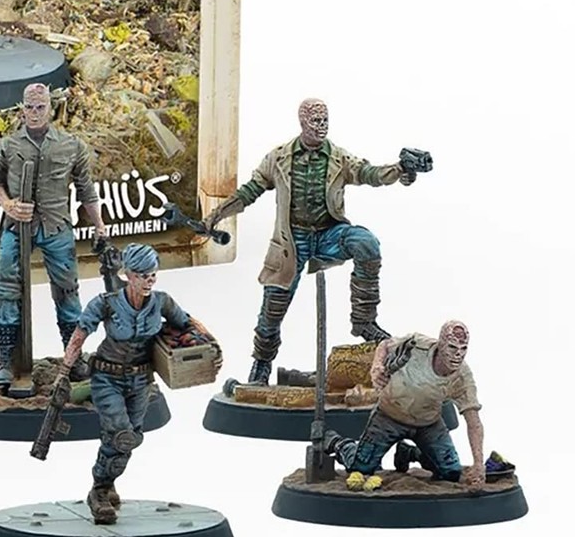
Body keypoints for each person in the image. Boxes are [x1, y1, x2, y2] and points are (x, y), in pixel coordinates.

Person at [206, 98, 424, 385]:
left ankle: (364, 321)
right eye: (316, 121)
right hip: (291, 242)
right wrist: (216, 215)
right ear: (302, 123)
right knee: (273, 307)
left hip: (328, 235)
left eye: (325, 120)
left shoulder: (338, 158)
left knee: (366, 243)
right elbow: (250, 190)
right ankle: (261, 364)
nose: (322, 127)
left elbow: (369, 173)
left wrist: (399, 170)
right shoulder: (279, 158)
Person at [58, 244, 215, 524]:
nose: (149, 281)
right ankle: (99, 490)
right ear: (128, 275)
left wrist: (206, 343)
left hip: (142, 379)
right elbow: (79, 335)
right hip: (107, 378)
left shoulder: (162, 302)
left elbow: (186, 323)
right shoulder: (106, 303)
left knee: (132, 438)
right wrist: (64, 371)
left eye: (153, 275)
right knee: (121, 433)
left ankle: (108, 480)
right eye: (143, 275)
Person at [0, 82, 108, 386]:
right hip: (17, 228)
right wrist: (8, 204)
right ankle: (6, 362)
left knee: (67, 292)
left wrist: (99, 225)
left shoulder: (71, 145)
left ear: (50, 109)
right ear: (22, 109)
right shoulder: (8, 145)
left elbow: (86, 189)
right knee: (7, 292)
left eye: (40, 107)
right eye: (29, 107)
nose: (35, 113)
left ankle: (74, 359)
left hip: (56, 227)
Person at [330, 321, 487, 490]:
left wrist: (479, 463)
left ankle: (410, 453)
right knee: (361, 468)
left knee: (451, 472)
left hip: (428, 424)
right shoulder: (416, 345)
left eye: (463, 349)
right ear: (441, 344)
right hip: (388, 417)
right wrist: (377, 367)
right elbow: (385, 345)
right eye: (452, 347)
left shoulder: (462, 377)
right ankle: (339, 444)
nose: (458, 355)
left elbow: (474, 422)